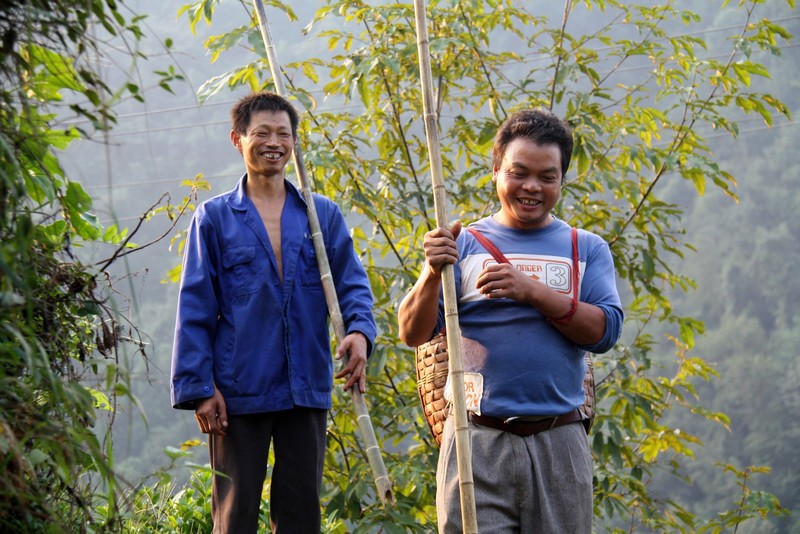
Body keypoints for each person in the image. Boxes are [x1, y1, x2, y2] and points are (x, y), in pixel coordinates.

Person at [398, 108, 623, 533]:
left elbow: (604, 332)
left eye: (547, 176)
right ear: (497, 169)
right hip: (474, 439)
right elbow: (412, 332)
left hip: (559, 439)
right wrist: (431, 273)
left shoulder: (585, 248)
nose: (532, 187)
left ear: (562, 179)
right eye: (519, 173)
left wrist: (532, 291)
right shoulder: (462, 243)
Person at [170, 91, 377, 533]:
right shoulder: (214, 218)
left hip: (306, 382)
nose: (274, 142)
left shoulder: (321, 216)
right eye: (261, 132)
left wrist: (360, 332)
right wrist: (199, 387)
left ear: (294, 143)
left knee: (302, 512)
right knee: (235, 512)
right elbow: (194, 307)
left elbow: (352, 282)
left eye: (284, 134)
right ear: (237, 140)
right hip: (238, 388)